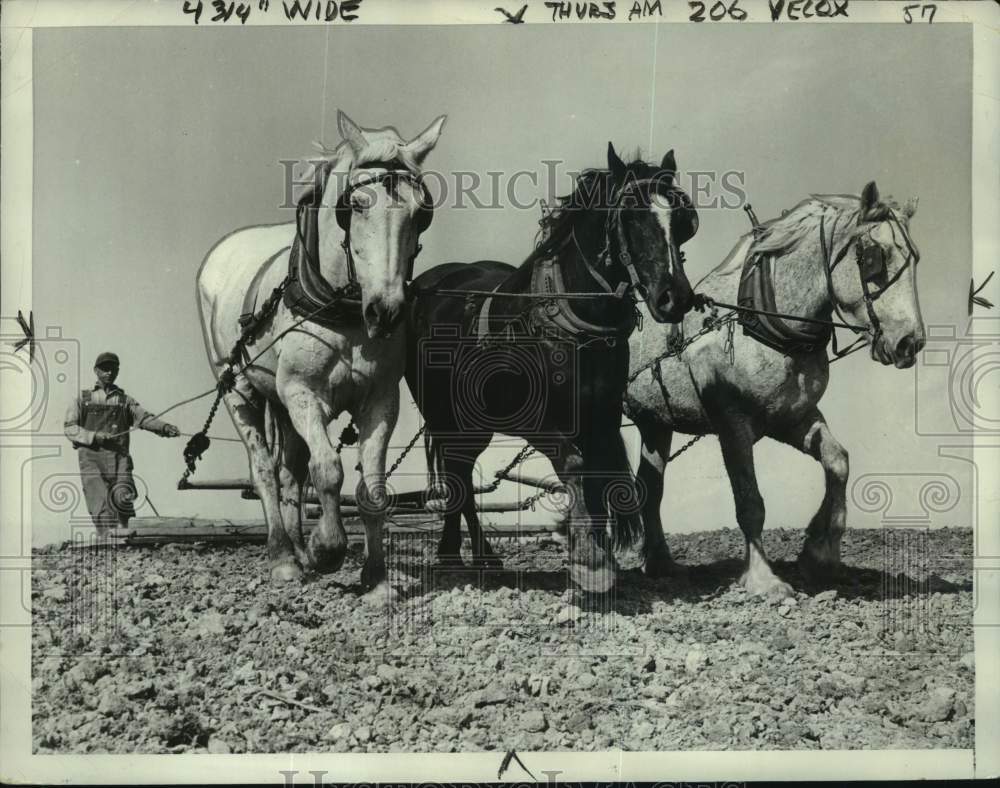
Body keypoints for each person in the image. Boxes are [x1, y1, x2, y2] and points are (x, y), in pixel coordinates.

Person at [64, 352, 180, 538]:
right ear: (96, 371)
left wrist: (164, 427)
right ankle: (108, 542)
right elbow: (69, 428)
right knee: (99, 501)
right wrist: (94, 436)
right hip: (91, 459)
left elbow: (144, 418)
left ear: (118, 371)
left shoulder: (126, 401)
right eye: (104, 369)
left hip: (120, 458)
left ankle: (127, 542)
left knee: (123, 496)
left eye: (113, 368)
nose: (109, 372)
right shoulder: (82, 398)